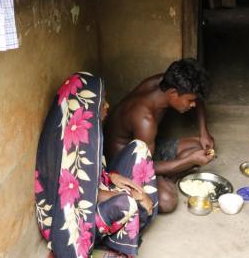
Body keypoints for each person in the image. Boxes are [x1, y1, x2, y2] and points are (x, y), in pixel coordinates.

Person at [35, 72, 158, 257]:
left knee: (139, 148)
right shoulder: (70, 141)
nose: (107, 105)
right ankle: (120, 241)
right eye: (102, 101)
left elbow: (92, 175)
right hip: (79, 220)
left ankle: (127, 225)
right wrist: (135, 195)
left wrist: (113, 176)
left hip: (95, 194)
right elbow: (81, 197)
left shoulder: (86, 129)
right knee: (127, 203)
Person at [104, 58, 215, 213]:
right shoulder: (144, 119)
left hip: (148, 147)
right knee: (167, 201)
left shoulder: (164, 82)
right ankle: (168, 178)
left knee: (198, 146)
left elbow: (197, 98)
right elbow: (142, 166)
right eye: (190, 100)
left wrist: (204, 132)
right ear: (173, 94)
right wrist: (190, 160)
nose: (193, 104)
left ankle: (167, 176)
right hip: (126, 166)